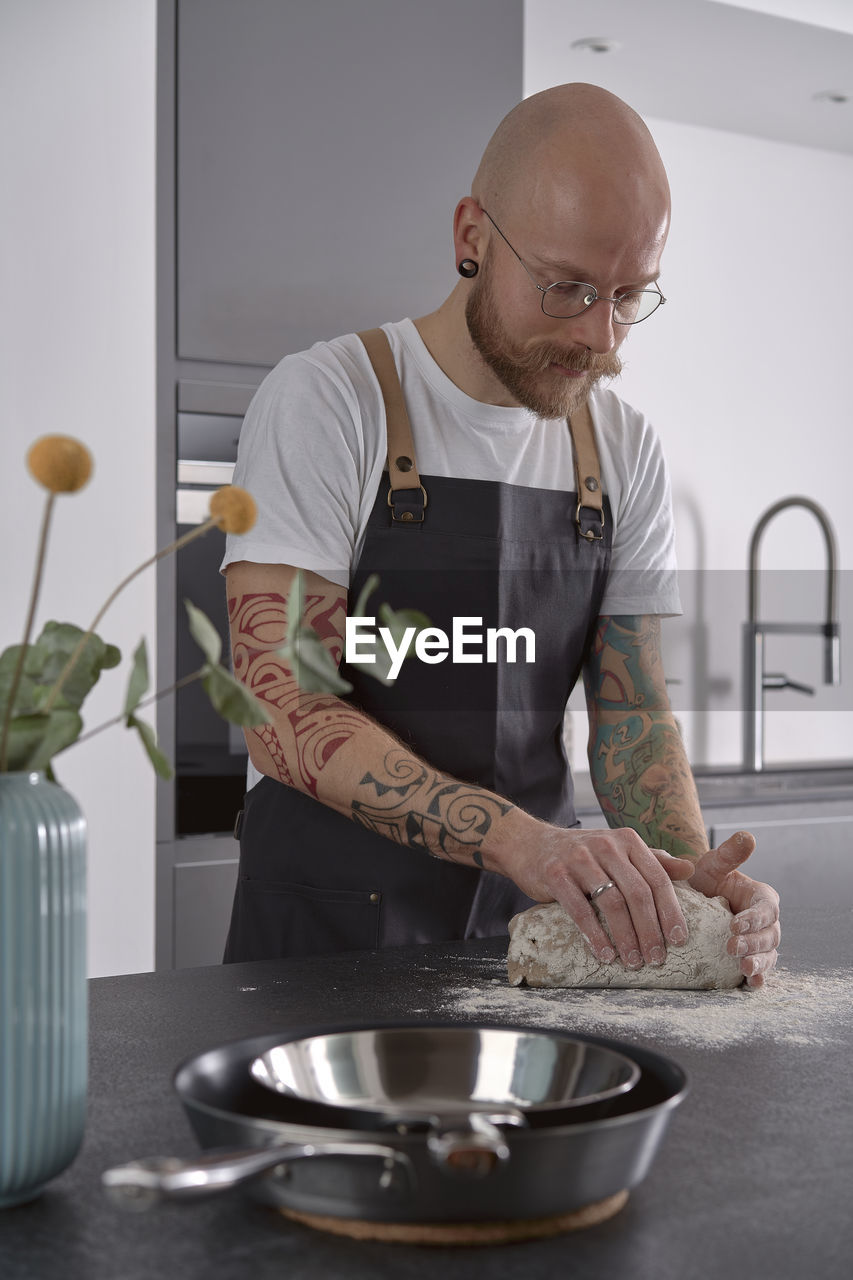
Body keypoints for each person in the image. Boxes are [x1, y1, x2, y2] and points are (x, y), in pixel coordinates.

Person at [221, 82, 780, 987]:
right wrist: (522, 840)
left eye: (629, 295)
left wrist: (694, 889)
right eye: (566, 288)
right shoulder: (332, 399)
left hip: (521, 949)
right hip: (320, 948)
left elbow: (631, 716)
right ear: (471, 238)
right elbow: (282, 709)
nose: (600, 336)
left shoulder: (622, 446)